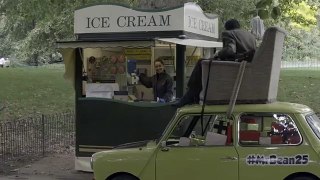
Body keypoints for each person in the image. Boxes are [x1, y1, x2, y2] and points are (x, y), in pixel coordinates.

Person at [175, 19, 256, 107]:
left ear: (227, 28)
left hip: (232, 68)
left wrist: (218, 54)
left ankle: (191, 93)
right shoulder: (251, 36)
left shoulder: (228, 33)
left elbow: (229, 50)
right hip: (245, 69)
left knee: (201, 62)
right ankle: (193, 93)